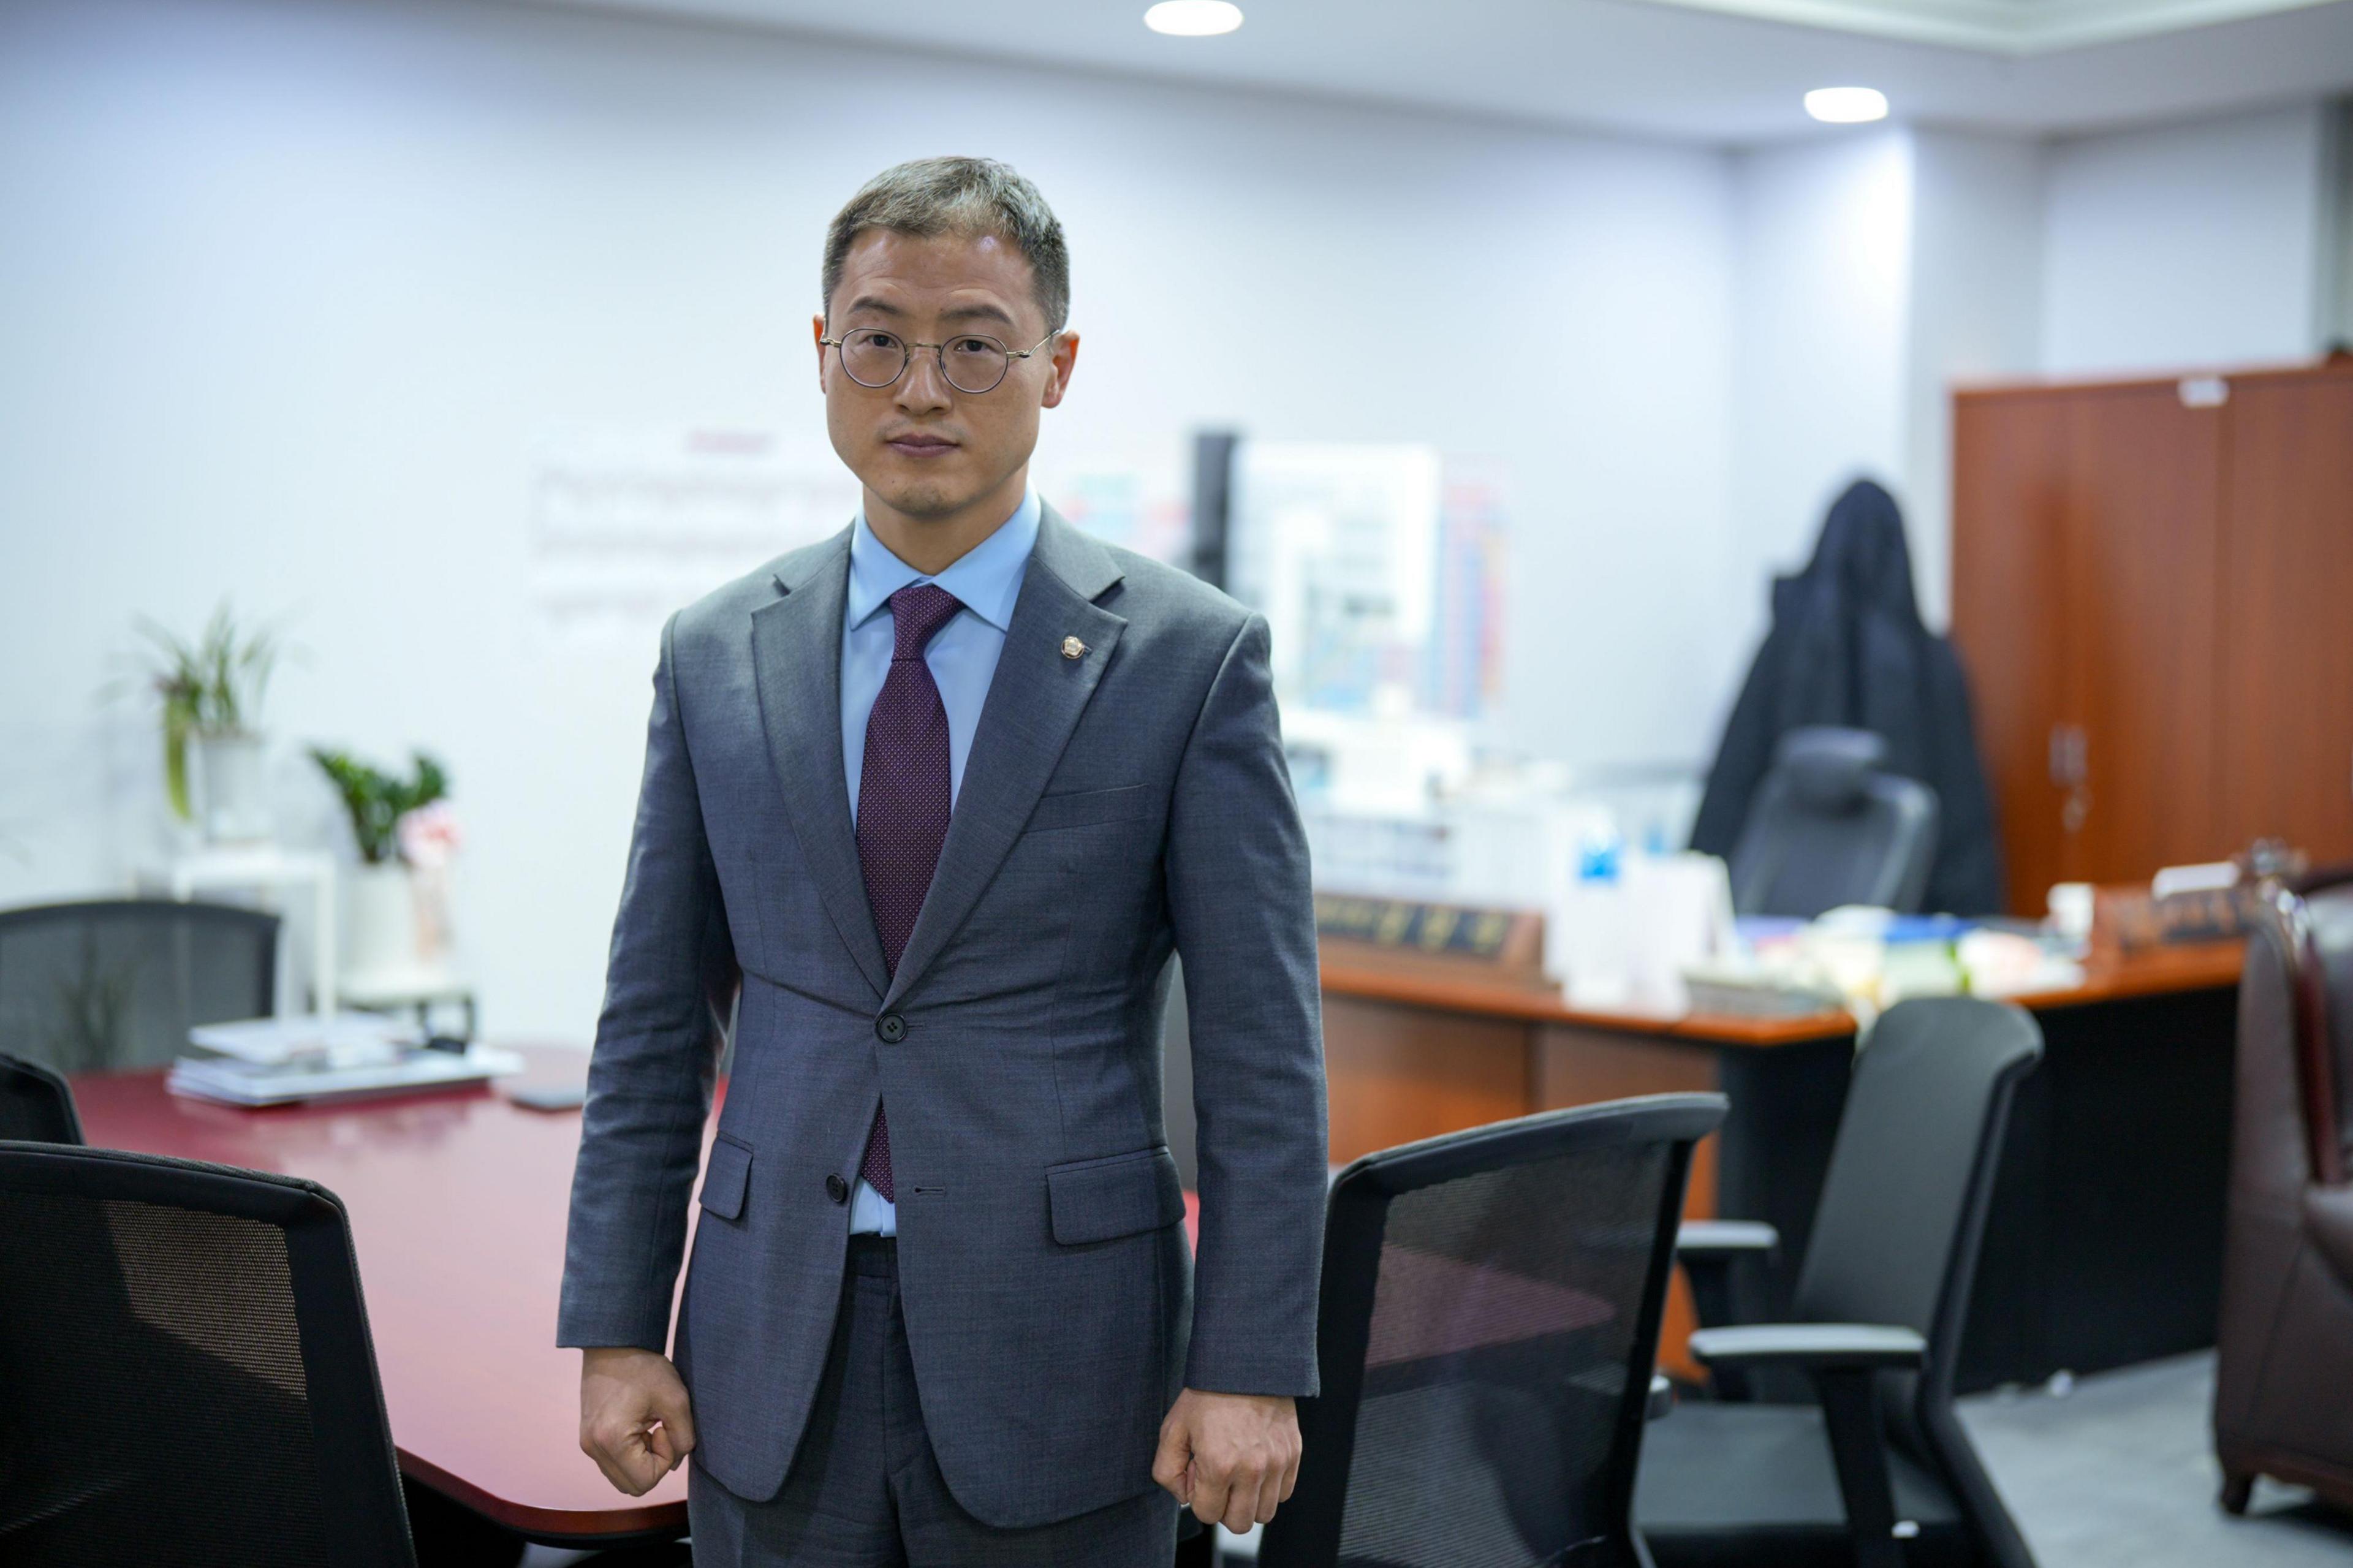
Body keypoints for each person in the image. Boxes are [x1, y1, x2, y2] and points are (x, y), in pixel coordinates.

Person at [556, 156, 1328, 1566]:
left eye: (975, 344)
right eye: (880, 339)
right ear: (823, 353)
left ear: (1057, 366)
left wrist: (1253, 1358)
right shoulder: (717, 651)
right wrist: (614, 1321)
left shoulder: (1189, 658)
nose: (921, 388)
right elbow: (657, 1020)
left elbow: (1262, 1051)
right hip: (767, 1331)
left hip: (1068, 1349)